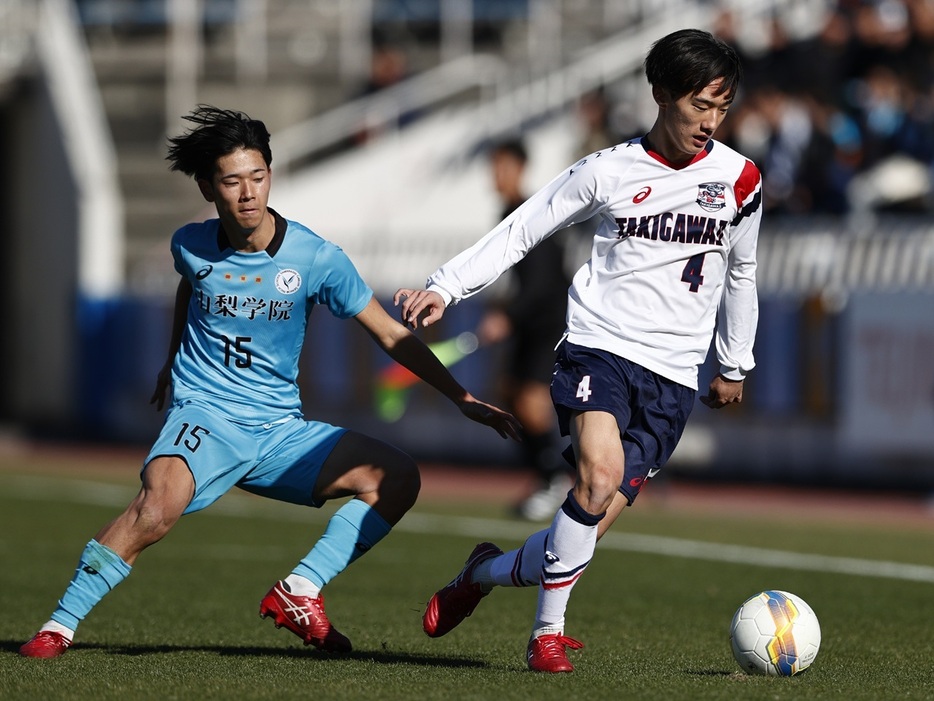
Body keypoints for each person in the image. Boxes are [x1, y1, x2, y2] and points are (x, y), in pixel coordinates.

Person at [19, 105, 520, 659]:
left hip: (278, 430)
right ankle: (58, 626)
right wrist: (171, 363)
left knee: (398, 476)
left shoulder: (316, 258)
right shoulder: (190, 244)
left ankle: (300, 590)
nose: (248, 193)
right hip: (204, 416)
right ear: (210, 189)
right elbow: (192, 288)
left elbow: (388, 335)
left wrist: (462, 398)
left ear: (270, 177)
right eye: (232, 181)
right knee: (156, 509)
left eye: (258, 177)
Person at [396, 28, 761, 673]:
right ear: (661, 96)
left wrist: (734, 361)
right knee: (595, 477)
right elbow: (525, 227)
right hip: (601, 349)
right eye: (699, 105)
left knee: (581, 528)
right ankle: (547, 636)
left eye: (721, 108)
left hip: (674, 376)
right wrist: (446, 286)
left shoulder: (740, 179)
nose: (710, 122)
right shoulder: (608, 169)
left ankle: (481, 574)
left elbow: (743, 271)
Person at [477, 138, 576, 520]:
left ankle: (557, 482)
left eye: (502, 166)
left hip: (547, 320)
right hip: (528, 318)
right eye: (494, 167)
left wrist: (508, 315)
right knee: (510, 397)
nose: (496, 176)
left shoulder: (531, 212)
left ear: (519, 168)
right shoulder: (506, 211)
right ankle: (544, 479)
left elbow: (544, 280)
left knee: (533, 404)